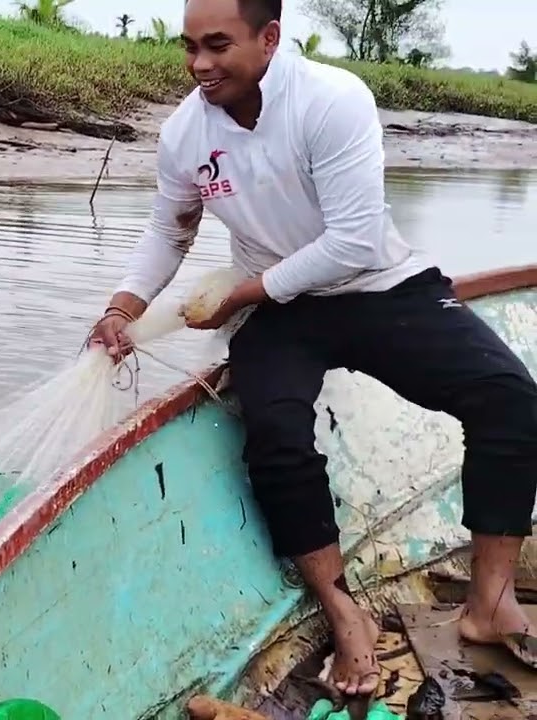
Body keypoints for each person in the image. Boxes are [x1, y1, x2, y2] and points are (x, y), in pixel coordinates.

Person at [88, 0, 537, 699]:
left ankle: (489, 603)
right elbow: (167, 232)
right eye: (189, 48)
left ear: (269, 38)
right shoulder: (185, 134)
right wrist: (124, 305)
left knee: (509, 398)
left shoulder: (331, 101)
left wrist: (241, 294)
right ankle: (342, 609)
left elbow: (354, 240)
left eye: (217, 46)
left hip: (380, 284)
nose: (199, 65)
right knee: (273, 435)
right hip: (281, 310)